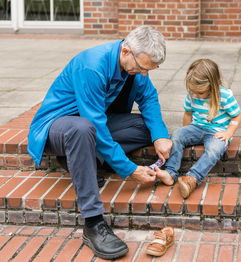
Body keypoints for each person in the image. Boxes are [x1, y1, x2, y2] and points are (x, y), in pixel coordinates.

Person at [27, 25, 172, 260]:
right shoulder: (92, 65)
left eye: (149, 69)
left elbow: (149, 97)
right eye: (142, 67)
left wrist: (160, 136)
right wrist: (129, 169)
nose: (144, 74)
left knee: (147, 127)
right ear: (125, 51)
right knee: (84, 130)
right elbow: (94, 122)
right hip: (57, 128)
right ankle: (93, 224)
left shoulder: (134, 67)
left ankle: (84, 159)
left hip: (91, 126)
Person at [156, 58, 241, 199]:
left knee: (214, 150)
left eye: (200, 93)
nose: (196, 95)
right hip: (197, 127)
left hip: (217, 132)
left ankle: (192, 178)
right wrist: (186, 132)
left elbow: (237, 116)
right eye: (193, 91)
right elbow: (188, 113)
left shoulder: (225, 96)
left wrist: (228, 132)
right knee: (177, 134)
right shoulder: (192, 94)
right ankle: (170, 173)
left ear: (213, 86)